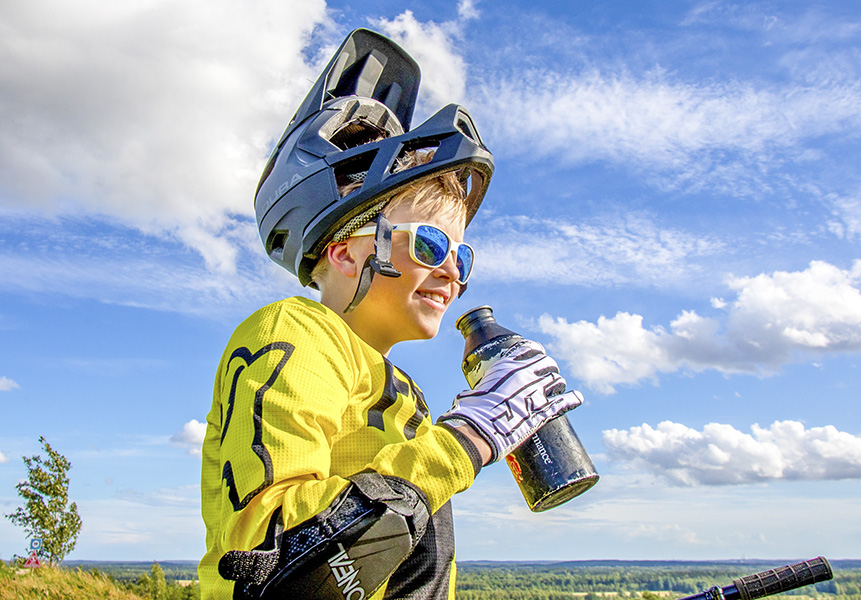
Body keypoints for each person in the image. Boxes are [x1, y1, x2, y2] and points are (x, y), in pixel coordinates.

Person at [199, 29, 583, 600]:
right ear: (346, 250)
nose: (453, 272)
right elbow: (276, 569)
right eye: (430, 244)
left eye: (461, 254)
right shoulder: (296, 332)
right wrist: (470, 438)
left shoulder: (401, 389)